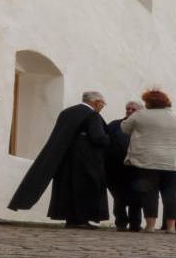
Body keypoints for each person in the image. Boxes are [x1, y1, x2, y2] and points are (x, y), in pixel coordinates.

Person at [7, 91, 111, 229]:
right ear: (96, 102)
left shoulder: (67, 112)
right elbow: (98, 137)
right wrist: (109, 139)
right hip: (86, 160)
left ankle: (71, 219)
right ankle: (81, 220)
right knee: (85, 188)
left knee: (67, 188)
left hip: (65, 158)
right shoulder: (92, 115)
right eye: (103, 104)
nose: (102, 107)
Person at [122, 90, 176, 234]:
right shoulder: (175, 117)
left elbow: (124, 128)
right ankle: (171, 227)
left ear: (148, 102)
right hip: (173, 161)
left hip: (148, 160)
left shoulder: (141, 115)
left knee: (150, 193)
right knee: (171, 193)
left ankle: (150, 225)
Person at [105, 101, 145, 232]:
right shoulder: (115, 125)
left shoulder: (144, 127)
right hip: (117, 167)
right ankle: (121, 222)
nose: (129, 111)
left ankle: (135, 223)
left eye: (133, 109)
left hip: (137, 168)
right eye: (127, 108)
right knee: (119, 197)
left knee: (137, 197)